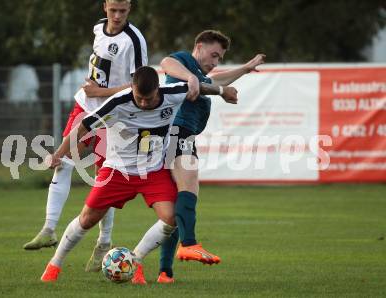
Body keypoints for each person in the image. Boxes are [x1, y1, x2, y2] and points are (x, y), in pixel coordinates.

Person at [39, 66, 237, 284]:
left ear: (158, 91)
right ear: (132, 88)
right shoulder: (117, 102)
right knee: (87, 219)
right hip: (117, 170)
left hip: (153, 171)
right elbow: (82, 128)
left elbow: (197, 86)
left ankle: (135, 259)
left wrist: (222, 91)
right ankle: (54, 264)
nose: (143, 103)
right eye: (139, 98)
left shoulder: (172, 93)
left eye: (149, 99)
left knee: (173, 218)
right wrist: (57, 154)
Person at [23, 0, 148, 273]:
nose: (116, 16)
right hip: (85, 106)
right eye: (112, 10)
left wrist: (100, 93)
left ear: (130, 9)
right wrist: (92, 93)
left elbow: (139, 86)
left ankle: (104, 243)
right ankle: (49, 228)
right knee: (62, 159)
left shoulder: (135, 41)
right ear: (104, 6)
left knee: (104, 177)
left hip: (112, 114)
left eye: (122, 11)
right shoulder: (99, 28)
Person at [156, 30, 266, 283]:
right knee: (190, 187)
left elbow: (216, 79)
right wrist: (206, 86)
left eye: (219, 58)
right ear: (199, 46)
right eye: (213, 54)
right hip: (176, 132)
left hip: (180, 135)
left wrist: (246, 68)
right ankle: (190, 243)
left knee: (176, 210)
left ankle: (165, 271)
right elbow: (166, 63)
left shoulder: (200, 75)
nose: (215, 61)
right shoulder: (183, 62)